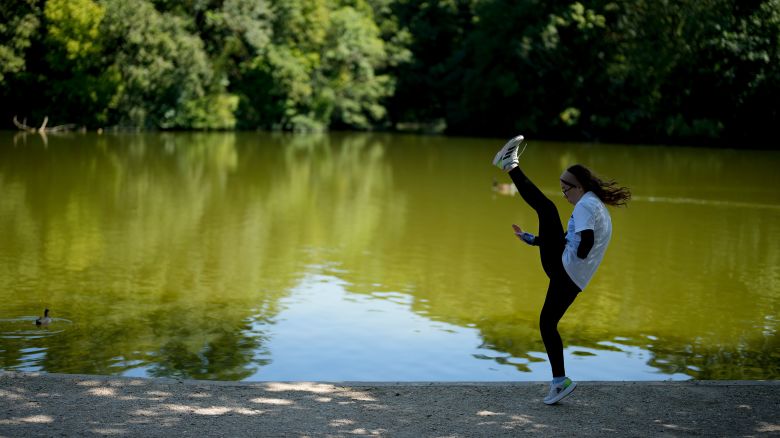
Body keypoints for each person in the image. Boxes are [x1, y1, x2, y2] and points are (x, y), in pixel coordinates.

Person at [492, 134, 631, 405]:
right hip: (574, 279)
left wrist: (575, 254)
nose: (565, 194)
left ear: (578, 187)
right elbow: (576, 240)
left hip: (564, 269)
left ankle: (510, 164)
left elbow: (585, 242)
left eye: (566, 189)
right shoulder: (595, 206)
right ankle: (560, 382)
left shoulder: (585, 206)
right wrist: (535, 240)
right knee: (547, 324)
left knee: (547, 208)